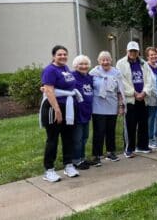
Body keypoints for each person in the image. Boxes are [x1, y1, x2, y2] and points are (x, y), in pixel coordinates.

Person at [40, 45, 80, 182]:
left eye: (65, 54)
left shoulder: (65, 68)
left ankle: (68, 165)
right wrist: (57, 110)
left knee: (68, 137)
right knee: (53, 139)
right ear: (53, 56)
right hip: (53, 108)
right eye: (59, 54)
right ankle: (49, 170)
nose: (63, 56)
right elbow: (49, 91)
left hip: (68, 107)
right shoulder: (50, 70)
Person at [116, 41, 154, 157]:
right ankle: (129, 149)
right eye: (131, 51)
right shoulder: (121, 63)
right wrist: (134, 93)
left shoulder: (143, 63)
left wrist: (144, 92)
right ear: (127, 51)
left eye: (135, 51)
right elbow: (121, 81)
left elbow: (149, 79)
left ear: (138, 52)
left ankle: (142, 146)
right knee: (130, 125)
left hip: (143, 98)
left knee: (143, 123)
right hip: (130, 99)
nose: (133, 53)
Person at [89, 51, 125, 166]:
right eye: (103, 60)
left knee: (111, 131)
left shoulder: (116, 72)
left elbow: (120, 91)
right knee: (98, 132)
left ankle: (111, 152)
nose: (105, 62)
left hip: (112, 106)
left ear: (111, 60)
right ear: (98, 61)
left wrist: (120, 106)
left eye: (107, 59)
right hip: (97, 107)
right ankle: (96, 156)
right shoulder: (93, 73)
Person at [71, 55, 94, 170]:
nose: (84, 66)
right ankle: (75, 160)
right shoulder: (72, 77)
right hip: (77, 113)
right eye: (81, 64)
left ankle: (82, 158)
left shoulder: (89, 77)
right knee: (77, 139)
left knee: (85, 137)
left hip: (87, 112)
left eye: (85, 64)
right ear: (76, 65)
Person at [145, 47, 157, 149]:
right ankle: (150, 139)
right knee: (151, 119)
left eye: (155, 54)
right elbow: (149, 84)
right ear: (147, 56)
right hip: (151, 98)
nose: (153, 56)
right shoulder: (145, 67)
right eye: (151, 55)